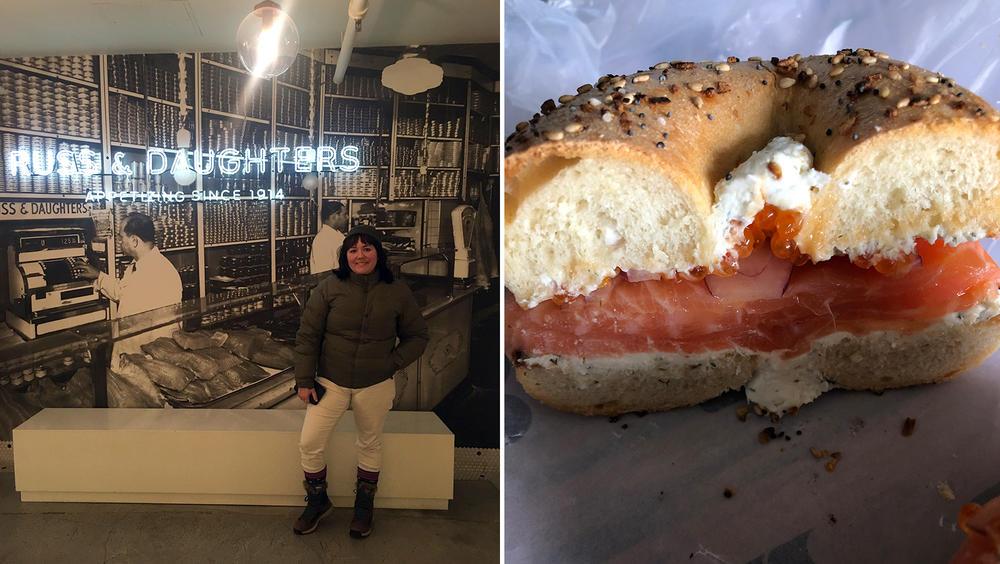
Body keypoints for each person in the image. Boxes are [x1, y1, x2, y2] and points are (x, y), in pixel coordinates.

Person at [293, 225, 429, 537]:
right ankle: (317, 501)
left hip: (376, 383)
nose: (360, 255)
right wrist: (304, 378)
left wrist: (391, 363)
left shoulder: (397, 291)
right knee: (309, 443)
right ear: (345, 256)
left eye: (367, 248)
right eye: (353, 250)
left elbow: (418, 336)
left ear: (378, 253)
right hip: (331, 382)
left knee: (369, 443)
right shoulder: (329, 287)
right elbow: (308, 336)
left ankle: (363, 508)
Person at [76, 212, 183, 377]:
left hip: (146, 364)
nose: (119, 242)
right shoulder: (136, 266)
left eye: (121, 238)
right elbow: (123, 293)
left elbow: (165, 330)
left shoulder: (161, 273)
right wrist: (99, 276)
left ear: (134, 241)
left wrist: (151, 366)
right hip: (130, 357)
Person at [310, 201, 348, 274]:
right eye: (345, 214)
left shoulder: (337, 235)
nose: (347, 217)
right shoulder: (322, 240)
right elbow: (325, 274)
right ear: (334, 216)